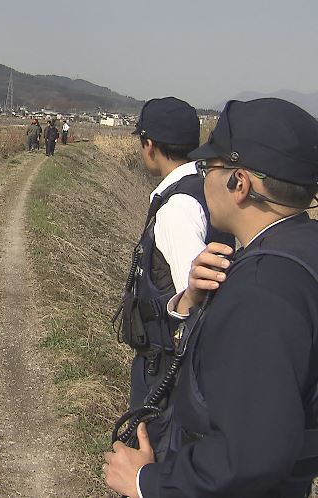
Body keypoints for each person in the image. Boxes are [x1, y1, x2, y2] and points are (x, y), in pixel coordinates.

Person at [104, 98, 318, 497]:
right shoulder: (298, 253)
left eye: (209, 167)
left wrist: (146, 482)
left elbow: (252, 455)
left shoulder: (260, 290)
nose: (201, 179)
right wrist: (192, 303)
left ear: (241, 183)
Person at [113, 96, 234, 455]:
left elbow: (194, 299)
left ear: (149, 146)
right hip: (172, 361)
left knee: (159, 453)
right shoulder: (201, 187)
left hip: (167, 364)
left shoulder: (178, 208)